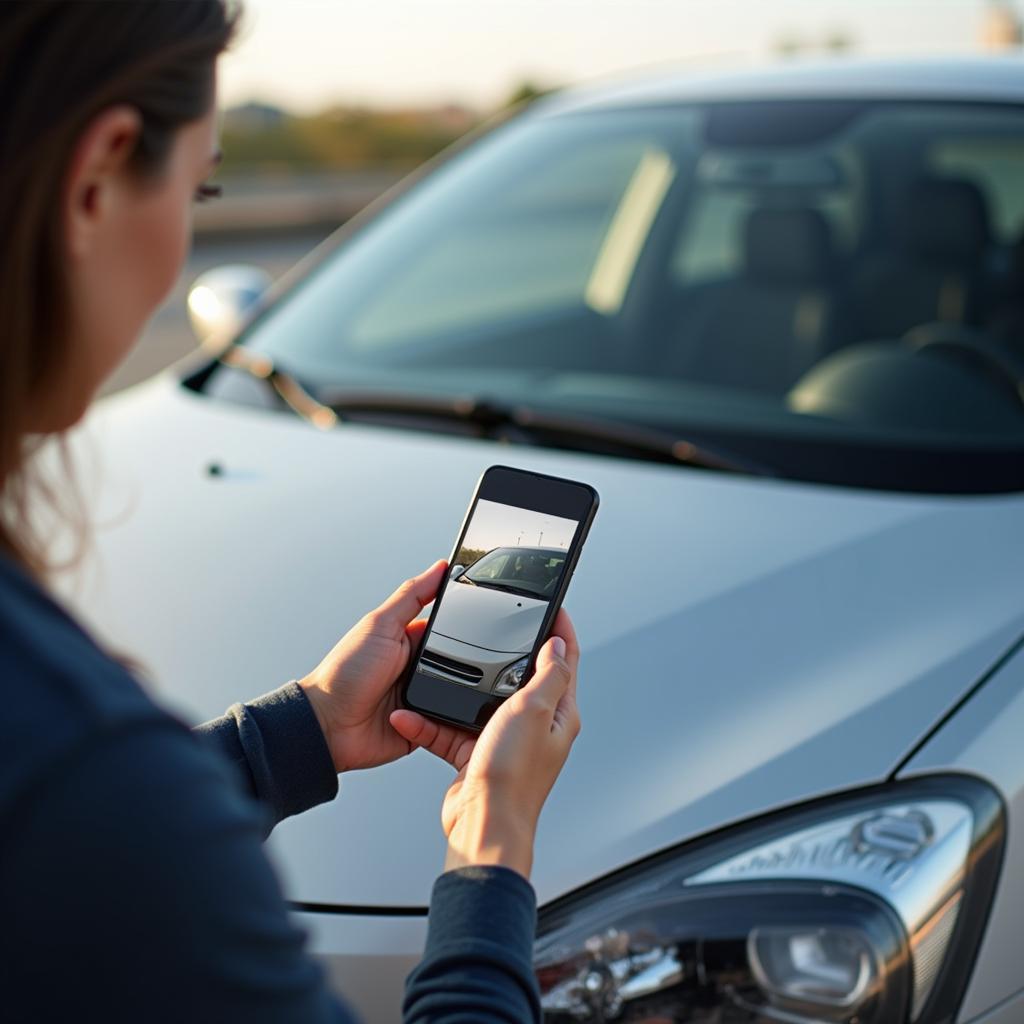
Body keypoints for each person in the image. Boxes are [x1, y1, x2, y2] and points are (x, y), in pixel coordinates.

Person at [0, 3, 582, 1021]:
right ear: (100, 175)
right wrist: (492, 848)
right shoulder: (94, 771)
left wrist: (305, 727)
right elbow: (90, 823)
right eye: (202, 183)